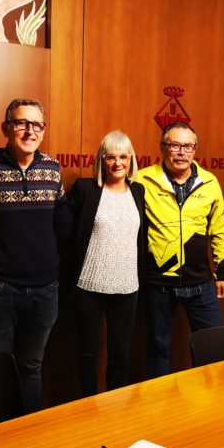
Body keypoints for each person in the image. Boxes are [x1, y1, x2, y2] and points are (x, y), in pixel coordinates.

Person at [0, 98, 69, 412]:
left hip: (44, 289)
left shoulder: (52, 168)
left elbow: (61, 225)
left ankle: (28, 433)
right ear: (6, 128)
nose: (29, 131)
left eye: (37, 124)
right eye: (21, 123)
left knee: (31, 366)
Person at [136, 121, 224, 378]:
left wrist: (222, 272)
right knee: (158, 348)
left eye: (188, 146)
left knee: (214, 346)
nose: (182, 152)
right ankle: (159, 399)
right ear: (163, 148)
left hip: (200, 283)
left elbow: (220, 228)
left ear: (195, 149)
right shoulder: (142, 179)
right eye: (175, 145)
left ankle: (212, 399)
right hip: (159, 283)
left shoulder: (209, 182)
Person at [68, 131, 146, 396]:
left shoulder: (138, 191)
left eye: (123, 156)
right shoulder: (86, 189)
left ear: (131, 159)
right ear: (101, 160)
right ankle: (88, 407)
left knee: (120, 355)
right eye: (111, 157)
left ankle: (116, 408)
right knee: (88, 353)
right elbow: (68, 234)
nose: (117, 163)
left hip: (127, 286)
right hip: (89, 286)